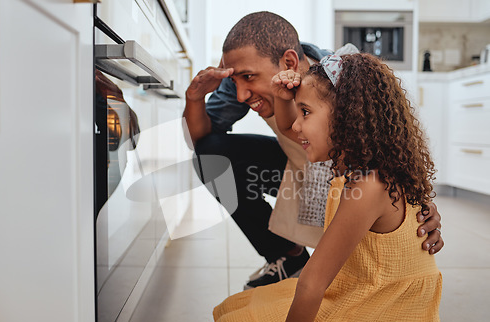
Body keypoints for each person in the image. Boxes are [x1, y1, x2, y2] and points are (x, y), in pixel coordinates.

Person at [184, 11, 443, 289]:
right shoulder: (242, 82)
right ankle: (288, 256)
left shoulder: (342, 76)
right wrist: (195, 98)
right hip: (297, 171)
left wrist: (418, 200)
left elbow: (395, 140)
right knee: (211, 155)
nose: (241, 95)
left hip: (347, 180)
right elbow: (199, 142)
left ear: (289, 62)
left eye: (249, 77)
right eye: (236, 81)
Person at [206, 53, 442, 322]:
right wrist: (284, 97)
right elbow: (286, 126)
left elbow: (311, 283)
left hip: (381, 309)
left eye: (304, 112)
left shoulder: (368, 184)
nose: (296, 125)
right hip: (360, 289)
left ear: (346, 118)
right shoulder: (359, 163)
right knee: (236, 309)